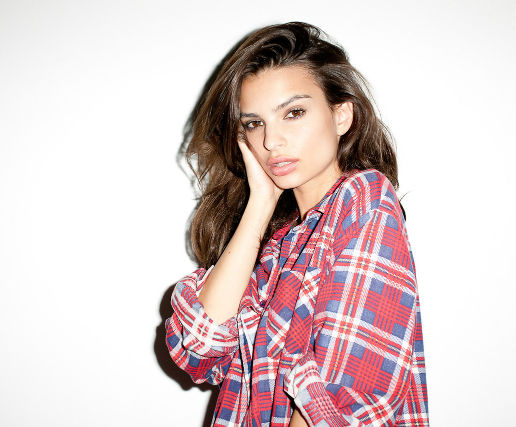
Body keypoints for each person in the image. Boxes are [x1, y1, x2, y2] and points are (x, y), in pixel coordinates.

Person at [165, 22, 428, 427]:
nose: (271, 141)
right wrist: (261, 202)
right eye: (254, 123)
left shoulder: (364, 201)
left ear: (341, 115)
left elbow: (336, 405)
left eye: (293, 113)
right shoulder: (278, 247)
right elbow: (199, 348)